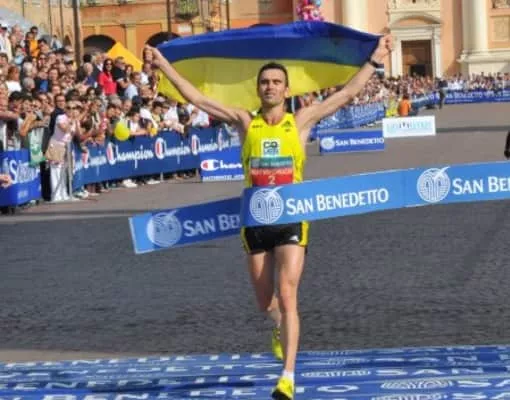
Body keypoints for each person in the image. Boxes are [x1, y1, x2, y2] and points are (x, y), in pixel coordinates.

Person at [146, 33, 393, 400]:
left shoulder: (302, 121)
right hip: (255, 224)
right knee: (266, 302)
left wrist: (374, 60)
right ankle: (277, 326)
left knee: (288, 294)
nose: (270, 86)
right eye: (265, 82)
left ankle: (288, 377)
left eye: (277, 82)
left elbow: (345, 95)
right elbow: (197, 98)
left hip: (292, 218)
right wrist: (164, 65)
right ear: (258, 88)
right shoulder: (245, 121)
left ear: (286, 89)